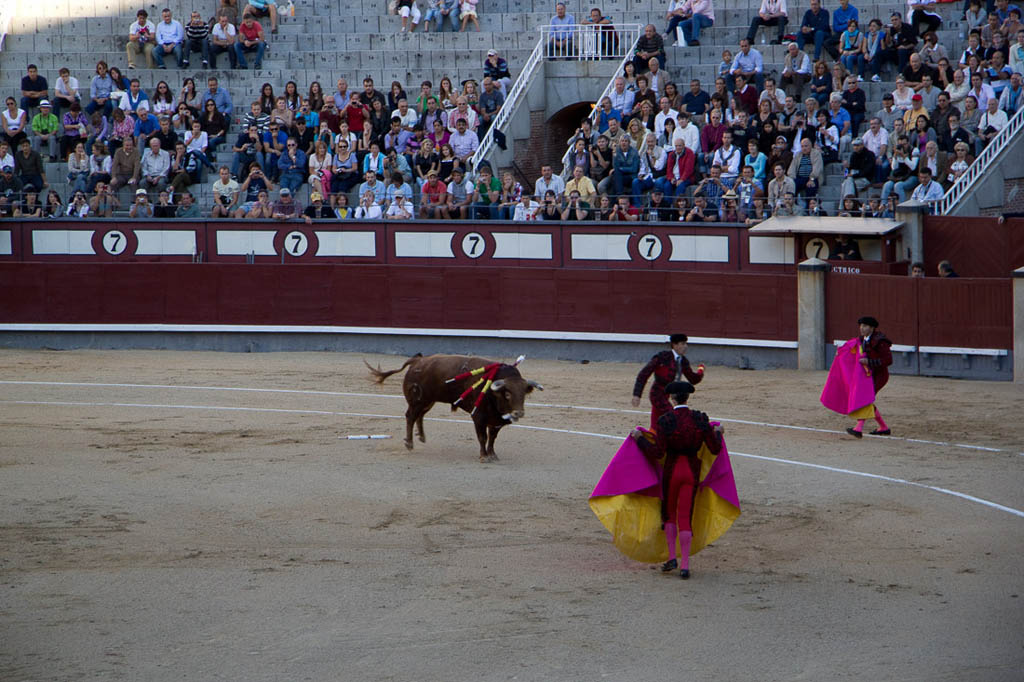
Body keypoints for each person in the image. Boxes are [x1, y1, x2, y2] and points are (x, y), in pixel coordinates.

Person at [627, 380, 725, 580]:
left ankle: (672, 557)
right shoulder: (699, 419)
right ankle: (686, 566)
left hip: (672, 471)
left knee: (670, 513)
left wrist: (639, 438)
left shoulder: (666, 420)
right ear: (687, 397)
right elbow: (715, 448)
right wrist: (718, 433)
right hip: (691, 471)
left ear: (672, 398)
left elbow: (657, 452)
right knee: (685, 516)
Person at [631, 333, 705, 428]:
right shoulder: (662, 357)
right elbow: (644, 374)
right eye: (682, 344)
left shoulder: (683, 361)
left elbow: (693, 379)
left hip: (669, 395)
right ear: (675, 345)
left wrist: (700, 371)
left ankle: (654, 438)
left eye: (685, 344)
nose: (686, 347)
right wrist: (637, 394)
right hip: (657, 394)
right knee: (673, 416)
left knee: (656, 425)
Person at [847, 316, 893, 438]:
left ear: (872, 328)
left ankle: (858, 428)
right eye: (861, 326)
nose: (862, 328)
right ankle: (883, 427)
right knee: (865, 398)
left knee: (865, 398)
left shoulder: (880, 341)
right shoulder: (862, 339)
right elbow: (851, 347)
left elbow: (888, 360)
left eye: (865, 326)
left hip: (880, 376)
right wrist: (842, 351)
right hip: (868, 375)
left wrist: (869, 362)